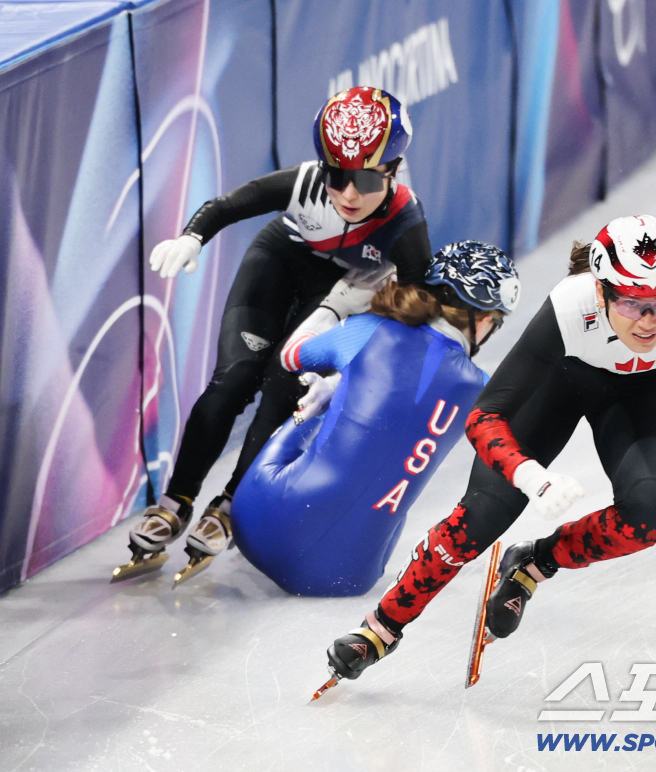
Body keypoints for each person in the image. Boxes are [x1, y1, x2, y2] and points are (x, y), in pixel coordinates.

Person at [323, 195, 656, 682]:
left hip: (647, 391)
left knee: (651, 515)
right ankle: (382, 627)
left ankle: (534, 563)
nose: (648, 320)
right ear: (600, 290)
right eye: (631, 302)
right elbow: (485, 415)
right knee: (483, 515)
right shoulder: (570, 308)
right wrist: (529, 475)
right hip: (562, 380)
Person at [114, 87, 432, 583]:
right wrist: (191, 237)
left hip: (340, 293)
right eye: (337, 176)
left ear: (393, 171)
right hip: (279, 261)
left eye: (367, 179)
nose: (349, 194)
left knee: (284, 390)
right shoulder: (306, 182)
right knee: (233, 381)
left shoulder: (406, 224)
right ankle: (176, 500)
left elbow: (415, 319)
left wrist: (355, 367)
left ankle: (230, 504)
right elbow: (229, 204)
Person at [232, 242, 520, 596]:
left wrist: (335, 307)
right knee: (388, 473)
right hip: (350, 574)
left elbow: (291, 357)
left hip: (254, 525)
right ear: (485, 318)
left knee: (318, 413)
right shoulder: (483, 391)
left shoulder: (367, 328)